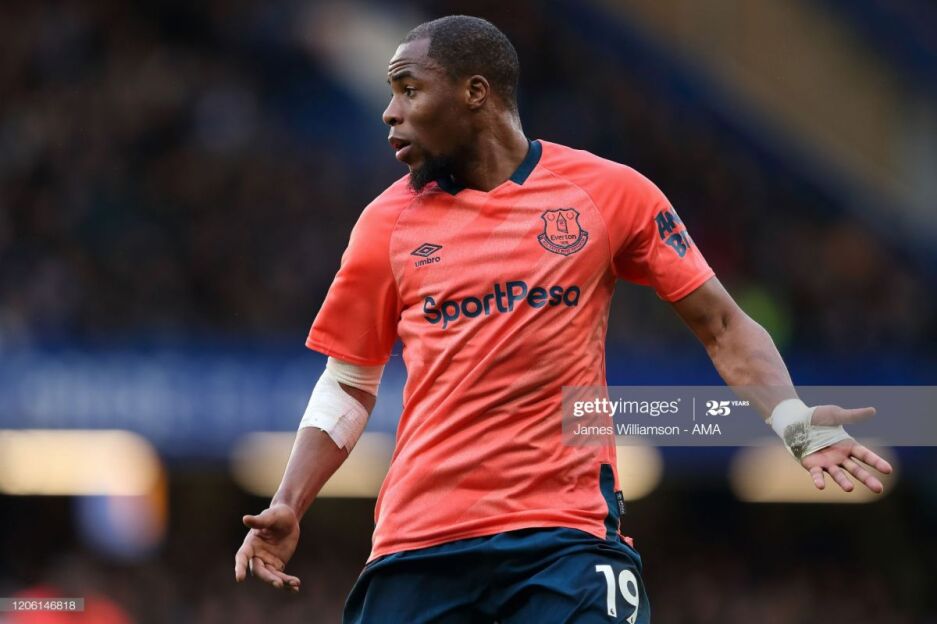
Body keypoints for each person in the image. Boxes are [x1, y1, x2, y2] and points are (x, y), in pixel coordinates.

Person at [234, 15, 892, 623]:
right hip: (419, 545)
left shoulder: (607, 193)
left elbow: (721, 325)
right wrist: (290, 500)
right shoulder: (385, 224)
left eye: (409, 90)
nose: (390, 112)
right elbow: (348, 383)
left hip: (565, 543)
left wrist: (794, 422)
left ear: (475, 92)